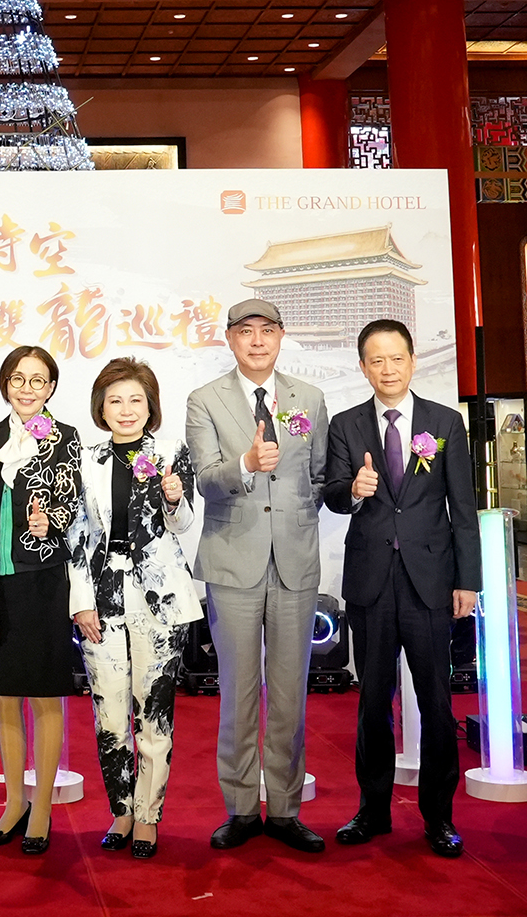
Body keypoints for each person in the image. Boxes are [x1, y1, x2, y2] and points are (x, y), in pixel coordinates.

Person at [321, 318, 480, 860]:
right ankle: (372, 810)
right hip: (370, 583)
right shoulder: (346, 425)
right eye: (376, 361)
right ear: (363, 367)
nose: (388, 369)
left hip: (430, 582)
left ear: (413, 361)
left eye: (397, 359)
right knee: (371, 703)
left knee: (437, 702)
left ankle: (440, 817)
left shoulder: (444, 423)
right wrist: (354, 489)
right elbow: (334, 494)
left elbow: (462, 507)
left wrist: (468, 581)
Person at [185, 298, 331, 854]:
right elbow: (205, 478)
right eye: (245, 332)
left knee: (291, 694)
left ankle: (287, 810)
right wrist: (245, 464)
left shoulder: (309, 398)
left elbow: (318, 478)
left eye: (266, 331)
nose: (257, 340)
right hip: (231, 562)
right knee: (239, 694)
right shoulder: (206, 400)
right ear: (229, 339)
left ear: (281, 336)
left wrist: (295, 517)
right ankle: (243, 808)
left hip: (294, 562)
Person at [67, 355, 198, 860]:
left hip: (160, 604)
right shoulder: (86, 458)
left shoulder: (170, 452)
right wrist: (81, 603)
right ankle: (120, 810)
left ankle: (148, 817)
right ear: (101, 406)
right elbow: (78, 534)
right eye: (115, 400)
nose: (126, 410)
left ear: (151, 406)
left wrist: (173, 498)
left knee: (155, 717)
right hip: (101, 602)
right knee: (110, 717)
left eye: (136, 400)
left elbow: (182, 524)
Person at [0, 344, 82, 856]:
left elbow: (79, 505)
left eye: (39, 380)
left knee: (43, 693)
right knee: (4, 695)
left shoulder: (68, 438)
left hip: (43, 579)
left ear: (52, 388)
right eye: (19, 378)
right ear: (5, 383)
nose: (28, 388)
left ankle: (41, 807)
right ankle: (13, 802)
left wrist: (51, 521)